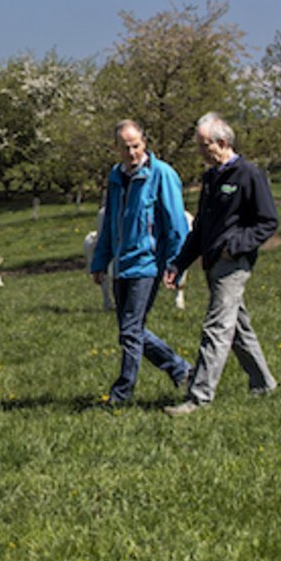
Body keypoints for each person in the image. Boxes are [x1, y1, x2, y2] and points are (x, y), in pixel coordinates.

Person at [163, 112, 279, 416]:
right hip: (211, 263)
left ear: (223, 142)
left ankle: (198, 396)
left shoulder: (249, 175)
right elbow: (200, 229)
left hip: (234, 264)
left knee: (216, 327)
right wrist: (178, 264)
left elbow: (268, 221)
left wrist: (235, 246)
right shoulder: (211, 178)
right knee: (238, 327)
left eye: (204, 146)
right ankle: (263, 384)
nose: (200, 152)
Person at [89, 119, 192, 406]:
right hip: (122, 264)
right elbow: (110, 223)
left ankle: (121, 395)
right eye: (125, 148)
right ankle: (182, 370)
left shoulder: (161, 174)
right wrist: (100, 261)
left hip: (147, 264)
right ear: (116, 149)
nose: (132, 152)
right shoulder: (115, 177)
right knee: (131, 330)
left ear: (144, 143)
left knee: (130, 332)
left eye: (136, 146)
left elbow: (175, 224)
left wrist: (176, 264)